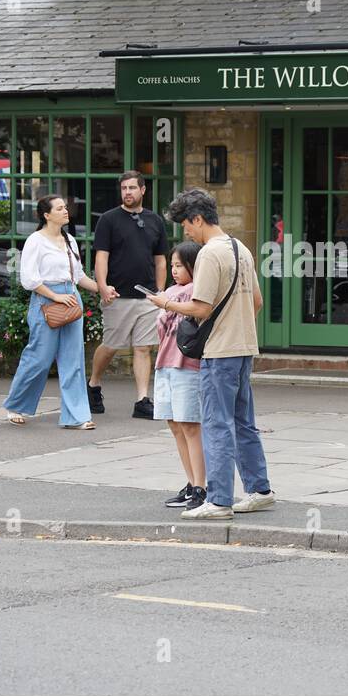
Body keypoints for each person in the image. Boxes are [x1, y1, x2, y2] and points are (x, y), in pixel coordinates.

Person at [148, 188, 273, 520]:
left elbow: (200, 307)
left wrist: (165, 303)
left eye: (186, 225)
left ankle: (218, 499)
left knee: (216, 423)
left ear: (197, 219)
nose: (186, 232)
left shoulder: (208, 254)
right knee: (244, 422)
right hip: (245, 345)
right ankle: (259, 490)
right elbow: (256, 302)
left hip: (219, 352)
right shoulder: (241, 248)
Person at [3, 196, 101, 429]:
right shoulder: (35, 241)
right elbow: (29, 279)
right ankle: (16, 406)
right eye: (60, 208)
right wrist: (56, 296)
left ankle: (76, 417)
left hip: (71, 300)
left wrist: (102, 289)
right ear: (47, 215)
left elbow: (78, 276)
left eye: (65, 207)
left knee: (73, 360)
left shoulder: (70, 240)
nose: (66, 211)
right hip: (46, 301)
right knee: (39, 358)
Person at [88, 171, 169, 419]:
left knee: (143, 348)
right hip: (117, 295)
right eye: (124, 188)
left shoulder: (155, 220)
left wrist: (160, 291)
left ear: (143, 190)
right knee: (112, 345)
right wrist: (102, 285)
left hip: (147, 296)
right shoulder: (108, 220)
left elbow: (161, 260)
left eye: (132, 188)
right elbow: (101, 256)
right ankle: (93, 385)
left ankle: (142, 400)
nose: (128, 193)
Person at [154, 241, 206, 511]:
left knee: (190, 426)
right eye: (171, 265)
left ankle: (202, 487)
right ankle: (190, 483)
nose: (174, 271)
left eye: (179, 265)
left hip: (187, 365)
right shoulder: (170, 292)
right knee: (174, 425)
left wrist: (167, 304)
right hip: (165, 362)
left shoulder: (197, 290)